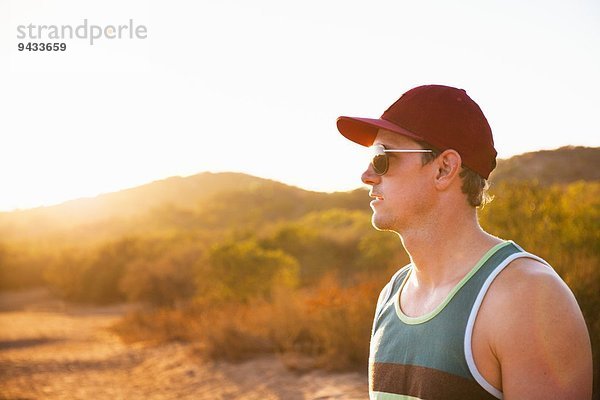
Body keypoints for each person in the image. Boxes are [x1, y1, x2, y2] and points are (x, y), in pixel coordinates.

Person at [336, 85, 593, 400]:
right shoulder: (391, 294)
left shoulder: (527, 297)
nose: (366, 175)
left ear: (444, 169)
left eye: (382, 158)